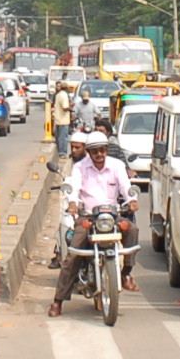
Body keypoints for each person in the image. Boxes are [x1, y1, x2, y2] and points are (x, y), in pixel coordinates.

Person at [49, 129, 138, 314]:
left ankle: (126, 273)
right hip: (88, 216)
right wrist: (73, 203)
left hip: (111, 215)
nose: (99, 155)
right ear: (89, 152)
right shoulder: (80, 167)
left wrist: (132, 201)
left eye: (102, 150)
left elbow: (125, 186)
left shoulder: (117, 165)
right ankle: (58, 301)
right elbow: (74, 187)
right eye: (95, 151)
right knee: (73, 254)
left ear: (106, 149)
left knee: (132, 230)